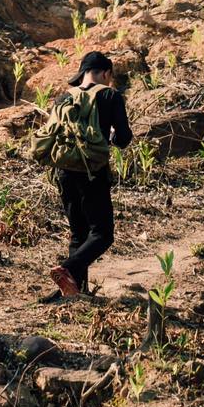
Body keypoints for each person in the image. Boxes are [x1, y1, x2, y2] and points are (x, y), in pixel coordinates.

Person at [49, 50, 133, 297]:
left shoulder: (64, 97)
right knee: (102, 234)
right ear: (106, 73)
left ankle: (75, 291)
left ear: (83, 73)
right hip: (92, 173)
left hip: (64, 172)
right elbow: (124, 138)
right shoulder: (110, 95)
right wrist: (112, 138)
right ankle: (66, 269)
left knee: (79, 233)